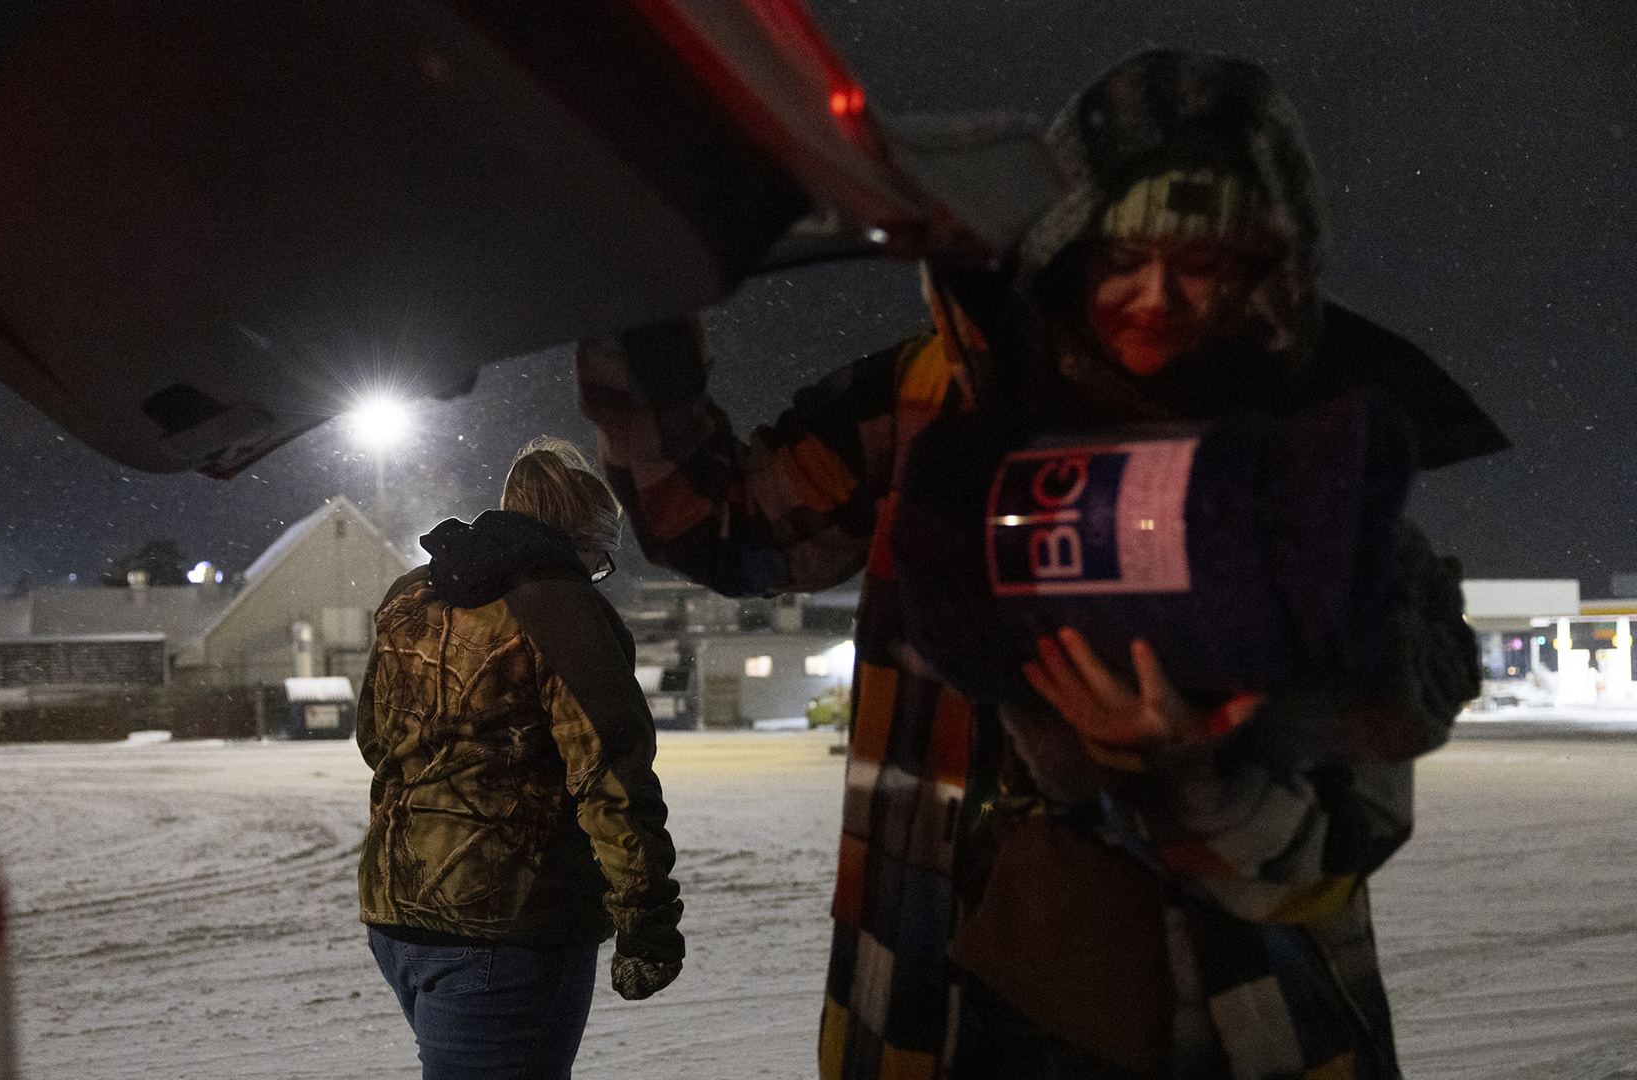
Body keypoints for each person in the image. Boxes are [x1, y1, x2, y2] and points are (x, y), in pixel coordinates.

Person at [577, 50, 1496, 1080]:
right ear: (1065, 252)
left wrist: (1189, 773)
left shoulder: (1307, 471)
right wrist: (637, 295)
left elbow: (1346, 831)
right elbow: (720, 523)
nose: (1157, 296)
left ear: (1265, 272)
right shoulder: (934, 406)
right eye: (1122, 255)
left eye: (1205, 260)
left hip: (1235, 1034)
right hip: (934, 1010)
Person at [358, 437, 684, 1080]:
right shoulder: (561, 611)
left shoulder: (412, 597)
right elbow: (611, 780)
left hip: (399, 913)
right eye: (602, 558)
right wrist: (647, 924)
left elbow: (376, 739)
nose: (599, 573)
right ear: (580, 543)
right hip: (508, 925)